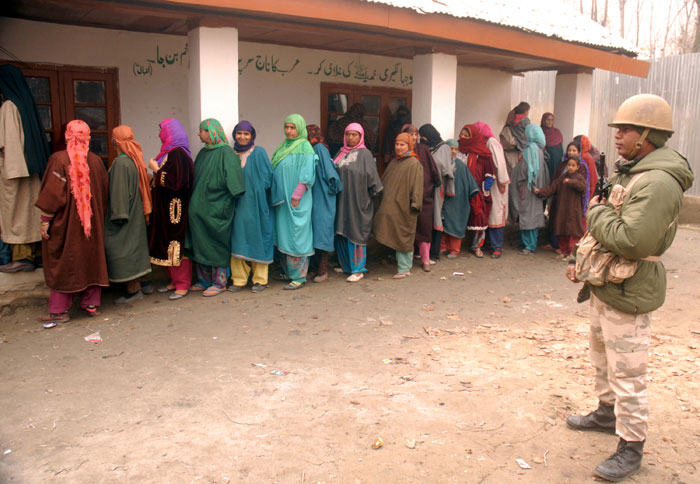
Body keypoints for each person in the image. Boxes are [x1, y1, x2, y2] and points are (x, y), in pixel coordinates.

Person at [565, 94, 693, 482]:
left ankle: (631, 447)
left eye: (625, 129)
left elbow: (634, 241)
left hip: (630, 288)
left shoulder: (658, 182)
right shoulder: (632, 171)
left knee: (629, 373)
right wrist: (580, 262)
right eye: (618, 129)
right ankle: (607, 413)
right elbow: (609, 228)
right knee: (603, 359)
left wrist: (596, 210)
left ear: (648, 135)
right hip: (607, 284)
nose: (617, 136)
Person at [35, 120, 108, 327]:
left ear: (67, 136)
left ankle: (59, 311)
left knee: (64, 261)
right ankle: (91, 304)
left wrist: (45, 221)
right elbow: (103, 193)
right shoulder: (96, 161)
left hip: (66, 225)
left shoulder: (58, 160)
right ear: (88, 138)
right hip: (92, 224)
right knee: (90, 258)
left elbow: (52, 196)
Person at [185, 118, 245, 297]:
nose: (199, 134)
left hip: (217, 209)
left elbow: (235, 183)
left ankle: (220, 282)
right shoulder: (203, 153)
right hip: (200, 211)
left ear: (212, 132)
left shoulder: (226, 153)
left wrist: (224, 199)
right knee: (201, 244)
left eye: (202, 130)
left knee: (216, 245)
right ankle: (204, 280)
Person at [0, 64, 50, 272]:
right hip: (31, 170)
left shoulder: (9, 107)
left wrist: (10, 172)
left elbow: (9, 144)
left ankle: (22, 258)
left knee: (17, 215)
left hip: (16, 172)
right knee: (30, 213)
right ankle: (36, 255)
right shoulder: (27, 105)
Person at [104, 125, 152, 304]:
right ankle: (146, 284)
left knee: (123, 248)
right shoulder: (134, 159)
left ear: (115, 141)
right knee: (137, 247)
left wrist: (118, 215)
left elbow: (118, 193)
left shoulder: (121, 163)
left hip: (125, 214)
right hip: (136, 212)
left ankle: (133, 290)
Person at [148, 118, 194, 301]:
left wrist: (156, 170)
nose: (160, 134)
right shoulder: (169, 152)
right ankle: (173, 280)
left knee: (176, 244)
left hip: (175, 209)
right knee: (166, 242)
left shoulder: (178, 154)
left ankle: (182, 284)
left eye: (162, 130)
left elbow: (177, 182)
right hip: (165, 208)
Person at [270, 114, 315, 290]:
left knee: (297, 236)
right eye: (286, 127)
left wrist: (296, 197)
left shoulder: (305, 148)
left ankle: (299, 276)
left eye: (292, 127)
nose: (289, 131)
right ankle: (288, 271)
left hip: (297, 200)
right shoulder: (283, 146)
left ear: (300, 128)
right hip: (282, 200)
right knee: (283, 234)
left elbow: (306, 176)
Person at [229, 120, 274, 293]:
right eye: (239, 133)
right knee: (238, 239)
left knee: (258, 237)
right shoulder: (231, 153)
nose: (242, 137)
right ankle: (239, 280)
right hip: (237, 204)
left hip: (256, 204)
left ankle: (260, 280)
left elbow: (268, 178)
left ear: (252, 136)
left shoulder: (259, 152)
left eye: (246, 134)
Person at [334, 123, 382, 282]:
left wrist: (370, 200)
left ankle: (358, 269)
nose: (350, 138)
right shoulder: (340, 153)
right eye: (348, 134)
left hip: (358, 201)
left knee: (356, 232)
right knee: (341, 231)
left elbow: (373, 180)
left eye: (354, 135)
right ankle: (347, 266)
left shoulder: (365, 154)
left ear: (361, 136)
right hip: (341, 200)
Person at [373, 133, 423, 279]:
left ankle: (404, 268)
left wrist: (415, 204)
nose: (398, 147)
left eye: (402, 145)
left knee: (404, 237)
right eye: (397, 144)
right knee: (387, 231)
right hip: (391, 206)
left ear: (409, 146)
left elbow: (417, 187)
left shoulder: (414, 164)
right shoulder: (395, 162)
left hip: (405, 207)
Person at [402, 124, 440, 271]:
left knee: (424, 228)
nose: (414, 137)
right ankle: (407, 260)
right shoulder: (400, 151)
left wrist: (430, 189)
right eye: (410, 134)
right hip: (405, 198)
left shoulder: (423, 150)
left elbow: (434, 171)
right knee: (407, 229)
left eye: (415, 134)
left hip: (424, 195)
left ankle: (425, 259)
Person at [307, 123, 342, 283]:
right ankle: (314, 268)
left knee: (322, 231)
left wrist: (332, 190)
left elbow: (331, 173)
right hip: (314, 196)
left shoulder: (319, 148)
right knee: (314, 232)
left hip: (322, 195)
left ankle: (322, 270)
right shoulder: (307, 149)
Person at [533, 157, 586, 257]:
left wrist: (570, 182)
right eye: (569, 165)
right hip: (562, 210)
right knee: (562, 232)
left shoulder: (579, 178)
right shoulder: (562, 178)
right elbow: (552, 188)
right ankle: (564, 252)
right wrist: (540, 191)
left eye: (573, 165)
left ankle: (572, 255)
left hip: (573, 211)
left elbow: (582, 187)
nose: (570, 167)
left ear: (578, 167)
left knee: (573, 234)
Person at [458, 124, 496, 258]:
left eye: (466, 135)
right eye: (462, 134)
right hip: (459, 190)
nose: (462, 137)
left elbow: (489, 173)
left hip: (477, 190)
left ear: (473, 137)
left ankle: (477, 246)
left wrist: (485, 189)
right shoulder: (457, 150)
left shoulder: (483, 153)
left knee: (478, 217)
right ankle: (454, 247)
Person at [474, 121, 510, 259]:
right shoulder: (486, 142)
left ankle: (497, 247)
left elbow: (499, 164)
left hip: (496, 184)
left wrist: (500, 181)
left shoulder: (491, 142)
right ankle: (490, 243)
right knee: (490, 214)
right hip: (490, 183)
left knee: (496, 215)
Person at [512, 124, 549, 254]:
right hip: (536, 189)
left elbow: (526, 171)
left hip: (527, 189)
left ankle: (529, 245)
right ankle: (529, 242)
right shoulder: (539, 150)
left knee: (527, 215)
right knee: (533, 215)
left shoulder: (530, 151)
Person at [418, 124, 453, 263]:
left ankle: (434, 254)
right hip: (428, 188)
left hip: (438, 188)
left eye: (423, 137)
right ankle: (424, 251)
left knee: (436, 219)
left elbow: (446, 170)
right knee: (427, 218)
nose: (422, 140)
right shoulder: (430, 148)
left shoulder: (443, 148)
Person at [440, 139, 480, 259]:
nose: (453, 151)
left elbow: (471, 185)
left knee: (456, 223)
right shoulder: (441, 163)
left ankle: (454, 250)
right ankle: (443, 246)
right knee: (443, 222)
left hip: (458, 200)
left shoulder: (461, 166)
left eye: (455, 149)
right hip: (444, 199)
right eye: (451, 148)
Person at [541, 112, 564, 178]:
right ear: (543, 121)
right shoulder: (540, 132)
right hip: (545, 162)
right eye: (548, 120)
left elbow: (560, 149)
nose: (550, 122)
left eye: (552, 120)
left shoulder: (557, 132)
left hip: (556, 162)